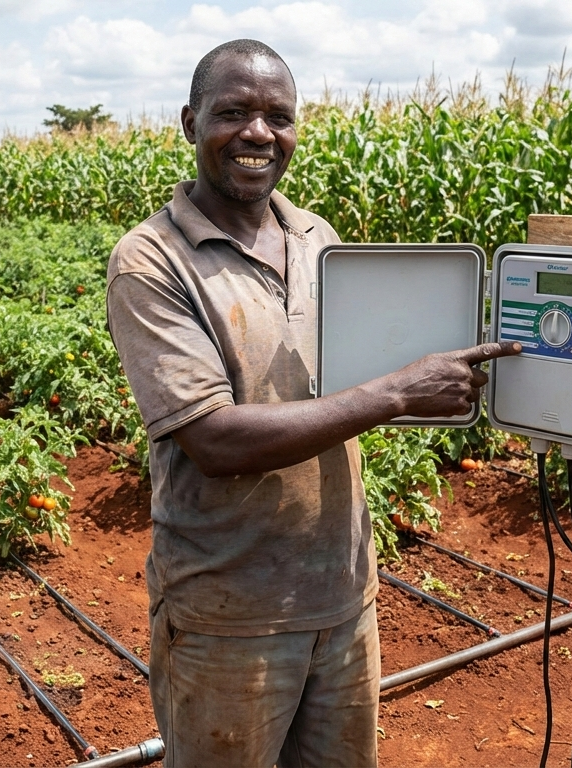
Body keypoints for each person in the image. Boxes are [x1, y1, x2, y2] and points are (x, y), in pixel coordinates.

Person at [105, 38, 522, 767]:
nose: (258, 133)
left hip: (344, 596)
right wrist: (398, 390)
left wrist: (434, 368)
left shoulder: (316, 237)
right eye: (232, 112)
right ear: (190, 122)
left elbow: (353, 379)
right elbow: (214, 439)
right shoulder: (151, 260)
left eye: (278, 116)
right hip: (228, 614)